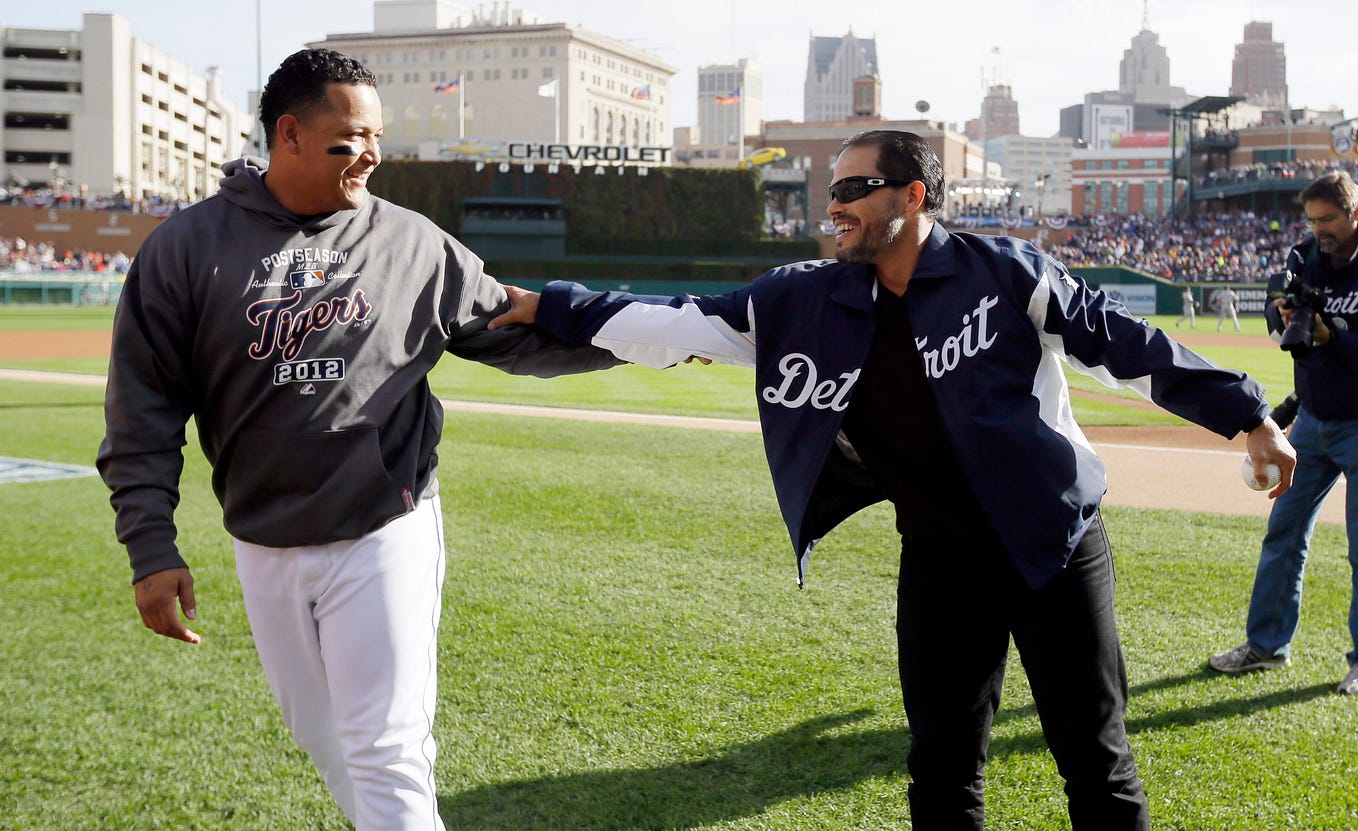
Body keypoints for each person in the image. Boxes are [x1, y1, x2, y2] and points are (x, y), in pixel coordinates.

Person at [495, 130, 1296, 830]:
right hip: (941, 559)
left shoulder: (1007, 272)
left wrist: (1248, 415)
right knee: (943, 769)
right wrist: (548, 304)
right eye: (830, 191)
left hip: (1054, 543)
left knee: (1095, 760)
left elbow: (1129, 345)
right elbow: (673, 321)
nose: (833, 206)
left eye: (852, 189)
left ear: (912, 195)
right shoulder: (804, 299)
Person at [96, 49, 616, 831]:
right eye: (350, 138)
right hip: (263, 536)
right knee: (326, 738)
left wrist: (652, 333)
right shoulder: (183, 248)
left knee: (385, 745)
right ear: (289, 135)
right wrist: (151, 546)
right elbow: (142, 413)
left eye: (376, 137)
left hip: (385, 523)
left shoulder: (411, 241)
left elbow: (514, 326)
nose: (370, 154)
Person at [1209, 171, 1358, 694]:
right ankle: (1267, 647)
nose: (1320, 229)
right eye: (1313, 219)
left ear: (1354, 212)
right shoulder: (1304, 258)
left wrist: (1332, 337)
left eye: (1329, 219)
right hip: (1314, 422)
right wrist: (1284, 317)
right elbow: (1283, 330)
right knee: (1284, 533)